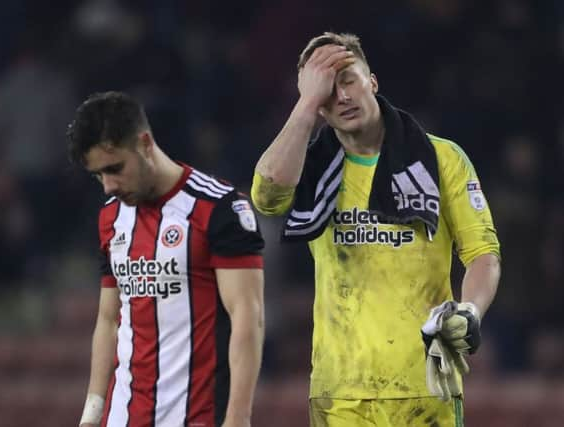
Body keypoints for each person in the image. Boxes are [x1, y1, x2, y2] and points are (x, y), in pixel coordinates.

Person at [251, 32, 501, 426]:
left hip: (424, 384)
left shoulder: (441, 158)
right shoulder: (310, 168)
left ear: (373, 81)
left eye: (348, 79)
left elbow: (483, 254)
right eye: (327, 91)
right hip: (339, 391)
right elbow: (266, 198)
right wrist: (304, 104)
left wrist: (469, 312)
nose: (343, 97)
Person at [67, 91, 265, 427]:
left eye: (115, 168)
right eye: (98, 175)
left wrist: (238, 417)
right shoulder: (110, 219)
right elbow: (108, 319)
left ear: (145, 144)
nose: (108, 186)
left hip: (198, 416)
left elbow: (248, 315)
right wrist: (92, 414)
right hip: (124, 416)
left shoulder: (219, 208)